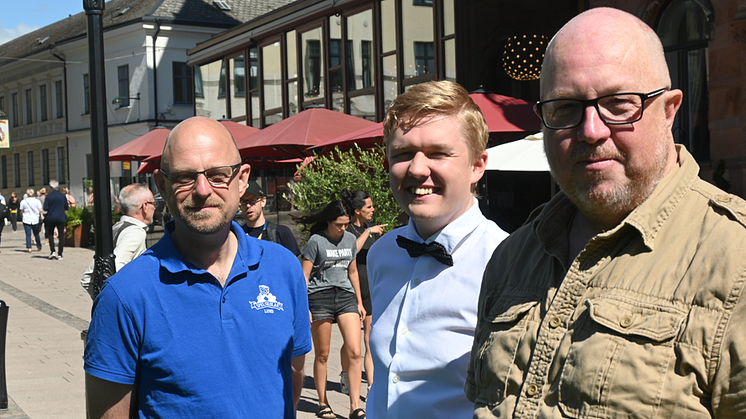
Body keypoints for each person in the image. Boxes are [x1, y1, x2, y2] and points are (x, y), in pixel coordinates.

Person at [466, 8, 746, 418]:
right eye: (565, 107)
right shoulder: (512, 258)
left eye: (618, 103)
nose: (591, 130)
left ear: (669, 110)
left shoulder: (734, 259)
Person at [84, 116, 311, 418]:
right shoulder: (124, 296)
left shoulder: (283, 268)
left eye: (218, 174)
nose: (202, 190)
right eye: (185, 177)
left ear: (242, 180)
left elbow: (290, 383)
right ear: (162, 186)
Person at [365, 80, 508, 419]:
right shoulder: (381, 253)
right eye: (402, 154)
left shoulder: (507, 262)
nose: (416, 169)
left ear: (477, 165)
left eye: (437, 153)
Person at [295, 200, 367, 419]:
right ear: (329, 221)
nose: (343, 228)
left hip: (345, 296)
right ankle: (323, 402)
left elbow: (352, 272)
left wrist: (360, 302)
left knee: (355, 351)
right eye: (339, 224)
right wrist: (303, 307)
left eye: (346, 224)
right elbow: (303, 277)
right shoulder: (316, 241)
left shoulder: (351, 239)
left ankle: (355, 405)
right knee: (323, 354)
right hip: (320, 297)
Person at [338, 189, 386, 396]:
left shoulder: (368, 228)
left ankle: (371, 387)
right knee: (350, 342)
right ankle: (344, 374)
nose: (373, 209)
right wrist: (368, 233)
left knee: (369, 340)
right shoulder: (346, 230)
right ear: (357, 211)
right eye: (369, 207)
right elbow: (350, 253)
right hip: (350, 289)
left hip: (370, 288)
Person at [80, 183, 156, 299]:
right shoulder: (135, 232)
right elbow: (114, 270)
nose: (155, 208)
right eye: (153, 203)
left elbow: (88, 278)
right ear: (145, 206)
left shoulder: (117, 228)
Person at [238, 180, 301, 256]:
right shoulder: (236, 235)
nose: (248, 205)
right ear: (239, 206)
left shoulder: (282, 233)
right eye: (244, 201)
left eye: (253, 200)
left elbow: (293, 265)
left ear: (263, 201)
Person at [44, 180, 69, 260]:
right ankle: (60, 254)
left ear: (51, 187)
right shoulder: (62, 196)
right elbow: (66, 207)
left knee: (50, 234)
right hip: (61, 217)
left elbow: (45, 208)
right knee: (61, 235)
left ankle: (52, 251)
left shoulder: (48, 196)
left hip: (51, 217)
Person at [19, 188, 43, 253]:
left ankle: (29, 248)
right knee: (36, 234)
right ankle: (39, 246)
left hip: (26, 219)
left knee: (28, 234)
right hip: (35, 219)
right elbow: (40, 210)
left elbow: (21, 211)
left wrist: (22, 216)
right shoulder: (37, 201)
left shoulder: (23, 201)